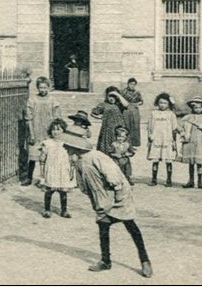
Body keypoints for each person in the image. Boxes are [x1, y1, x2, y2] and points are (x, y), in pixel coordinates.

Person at [60, 116, 153, 278]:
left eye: (68, 147)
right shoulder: (79, 160)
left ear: (75, 146)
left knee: (131, 225)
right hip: (103, 199)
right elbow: (83, 182)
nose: (67, 150)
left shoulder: (96, 156)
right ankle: (105, 261)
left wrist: (117, 192)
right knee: (103, 227)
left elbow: (113, 174)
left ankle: (145, 261)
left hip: (118, 195)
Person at [24, 76, 60, 185]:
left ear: (48, 87)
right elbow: (28, 118)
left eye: (45, 87)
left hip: (48, 132)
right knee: (33, 156)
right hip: (36, 131)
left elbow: (57, 118)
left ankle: (45, 179)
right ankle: (29, 178)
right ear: (37, 88)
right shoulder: (32, 100)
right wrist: (31, 134)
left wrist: (55, 133)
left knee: (47, 157)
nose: (43, 90)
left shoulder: (53, 100)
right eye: (40, 88)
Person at [38, 118, 74, 218]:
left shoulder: (67, 144)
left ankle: (64, 210)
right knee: (49, 191)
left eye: (58, 129)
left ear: (64, 131)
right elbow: (42, 159)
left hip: (63, 170)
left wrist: (71, 171)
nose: (56, 132)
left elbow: (71, 158)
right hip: (51, 169)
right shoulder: (47, 143)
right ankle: (47, 209)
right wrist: (41, 171)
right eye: (53, 129)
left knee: (63, 192)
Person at [146, 92, 179, 186]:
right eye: (160, 102)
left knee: (168, 160)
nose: (162, 105)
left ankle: (169, 180)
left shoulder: (171, 114)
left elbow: (174, 129)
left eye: (165, 103)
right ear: (157, 103)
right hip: (156, 139)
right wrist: (149, 137)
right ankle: (154, 179)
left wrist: (174, 141)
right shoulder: (153, 113)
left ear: (168, 104)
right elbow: (149, 127)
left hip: (167, 140)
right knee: (155, 160)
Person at [91, 87, 128, 154]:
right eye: (110, 96)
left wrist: (117, 95)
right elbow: (93, 113)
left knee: (119, 144)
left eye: (114, 96)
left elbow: (126, 104)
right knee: (106, 145)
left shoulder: (119, 104)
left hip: (119, 128)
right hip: (107, 128)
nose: (112, 98)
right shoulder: (103, 105)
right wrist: (99, 117)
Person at [120, 77, 143, 147]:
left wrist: (137, 103)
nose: (132, 86)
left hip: (135, 111)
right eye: (131, 84)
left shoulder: (137, 93)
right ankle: (126, 142)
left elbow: (141, 101)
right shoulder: (123, 92)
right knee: (126, 125)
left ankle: (134, 143)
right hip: (126, 110)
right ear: (128, 84)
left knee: (135, 126)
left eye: (134, 84)